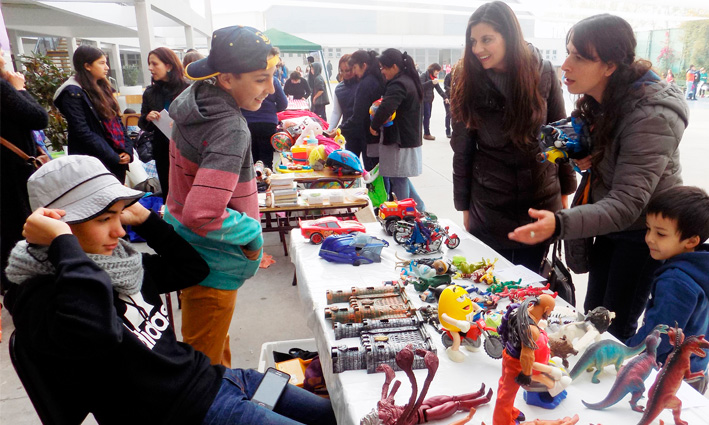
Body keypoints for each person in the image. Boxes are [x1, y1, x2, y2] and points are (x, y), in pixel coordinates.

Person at [3, 155, 336, 425]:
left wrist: (147, 220)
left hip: (224, 381)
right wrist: (63, 246)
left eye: (119, 215)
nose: (119, 230)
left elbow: (191, 268)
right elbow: (97, 332)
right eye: (105, 219)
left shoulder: (123, 266)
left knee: (336, 414)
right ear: (57, 225)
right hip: (191, 413)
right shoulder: (40, 295)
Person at [508, 14, 688, 341]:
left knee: (612, 330)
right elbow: (550, 140)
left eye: (579, 56)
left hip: (641, 233)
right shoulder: (605, 100)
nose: (565, 64)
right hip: (609, 224)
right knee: (593, 317)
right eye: (567, 52)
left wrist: (559, 223)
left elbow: (628, 203)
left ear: (609, 65)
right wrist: (580, 154)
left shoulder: (652, 116)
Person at [165, 25, 270, 367]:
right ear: (226, 79)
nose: (271, 88)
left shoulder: (194, 105)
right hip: (214, 260)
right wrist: (252, 234)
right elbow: (203, 212)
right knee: (203, 368)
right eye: (260, 78)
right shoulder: (229, 127)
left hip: (190, 250)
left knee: (209, 346)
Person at [450, 1, 575, 273]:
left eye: (487, 39)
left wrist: (565, 192)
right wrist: (465, 209)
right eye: (473, 41)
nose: (477, 49)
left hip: (540, 202)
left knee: (534, 289)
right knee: (493, 291)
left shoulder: (542, 72)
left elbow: (558, 134)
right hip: (490, 207)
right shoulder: (466, 78)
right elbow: (462, 151)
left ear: (509, 36)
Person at [626, 186, 709, 394]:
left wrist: (625, 352)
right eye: (648, 229)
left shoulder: (675, 280)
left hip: (663, 376)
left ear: (691, 241)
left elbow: (659, 335)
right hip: (695, 372)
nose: (649, 239)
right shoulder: (701, 267)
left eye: (660, 234)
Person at [0, 47, 49, 293]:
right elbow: (39, 118)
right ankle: (19, 284)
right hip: (11, 171)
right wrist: (19, 88)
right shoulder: (3, 87)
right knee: (17, 229)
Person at [54, 45, 133, 182]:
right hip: (93, 162)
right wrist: (113, 156)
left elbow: (117, 121)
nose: (107, 67)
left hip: (115, 157)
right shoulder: (72, 92)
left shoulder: (103, 87)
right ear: (87, 66)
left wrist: (127, 150)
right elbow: (82, 131)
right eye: (102, 63)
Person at [494, 294, 571, 425]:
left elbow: (503, 328)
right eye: (550, 311)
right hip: (516, 362)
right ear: (546, 308)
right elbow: (527, 355)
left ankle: (508, 411)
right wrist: (527, 373)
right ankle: (502, 422)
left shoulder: (516, 308)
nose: (550, 313)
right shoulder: (532, 330)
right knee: (506, 393)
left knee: (504, 387)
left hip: (507, 353)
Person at [370, 48, 426, 210]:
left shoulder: (398, 84)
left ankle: (406, 215)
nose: (382, 72)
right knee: (400, 178)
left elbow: (386, 107)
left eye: (383, 68)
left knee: (398, 179)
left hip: (399, 140)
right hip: (407, 138)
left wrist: (374, 126)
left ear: (394, 66)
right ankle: (420, 209)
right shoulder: (408, 80)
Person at [139, 47, 189, 202]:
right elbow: (142, 123)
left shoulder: (188, 89)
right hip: (163, 149)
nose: (150, 68)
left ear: (169, 65)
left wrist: (182, 121)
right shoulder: (150, 92)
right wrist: (148, 118)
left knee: (188, 187)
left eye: (154, 64)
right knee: (168, 190)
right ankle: (172, 223)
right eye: (149, 64)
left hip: (186, 148)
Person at [337, 50, 385, 171]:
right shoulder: (378, 79)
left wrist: (339, 130)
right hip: (379, 135)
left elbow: (358, 116)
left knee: (373, 175)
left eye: (354, 68)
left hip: (368, 136)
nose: (354, 72)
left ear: (364, 65)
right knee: (382, 174)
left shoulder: (365, 84)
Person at [242, 48, 288, 169]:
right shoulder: (274, 82)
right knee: (266, 159)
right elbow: (283, 104)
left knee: (250, 159)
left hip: (247, 123)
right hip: (267, 123)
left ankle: (255, 184)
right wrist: (271, 110)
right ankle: (266, 182)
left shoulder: (246, 82)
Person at [327, 54, 359, 129]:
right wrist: (329, 130)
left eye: (347, 70)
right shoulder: (339, 88)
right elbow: (336, 112)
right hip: (346, 130)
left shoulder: (363, 85)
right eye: (341, 70)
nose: (345, 74)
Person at [420, 63, 447, 140]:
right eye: (437, 71)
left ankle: (426, 133)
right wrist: (431, 82)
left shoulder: (433, 78)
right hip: (423, 100)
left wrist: (445, 97)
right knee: (423, 116)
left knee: (427, 116)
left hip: (429, 99)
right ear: (433, 69)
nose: (437, 73)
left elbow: (439, 89)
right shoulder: (424, 75)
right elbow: (420, 86)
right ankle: (426, 133)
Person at [443, 67, 453, 138]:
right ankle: (448, 131)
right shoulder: (448, 76)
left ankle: (454, 131)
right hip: (448, 97)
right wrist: (452, 89)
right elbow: (445, 86)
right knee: (449, 114)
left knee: (455, 115)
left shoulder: (458, 76)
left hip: (455, 97)